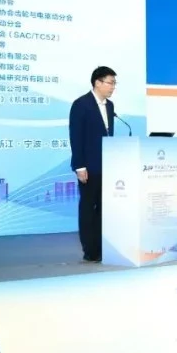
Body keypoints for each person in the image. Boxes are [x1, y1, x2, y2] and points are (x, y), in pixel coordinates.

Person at [69, 66, 117, 262]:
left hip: (107, 166)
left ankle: (102, 246)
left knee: (104, 208)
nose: (113, 87)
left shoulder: (110, 106)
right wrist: (79, 166)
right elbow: (76, 136)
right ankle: (90, 250)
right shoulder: (81, 104)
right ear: (97, 82)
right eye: (110, 83)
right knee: (89, 208)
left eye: (114, 83)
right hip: (88, 167)